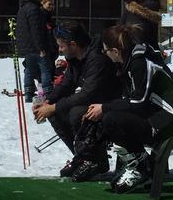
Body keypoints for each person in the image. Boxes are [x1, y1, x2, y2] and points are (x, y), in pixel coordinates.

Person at [84, 25, 173, 193]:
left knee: (111, 119)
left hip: (167, 120)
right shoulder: (131, 60)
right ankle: (140, 164)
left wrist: (104, 108)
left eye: (105, 51)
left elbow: (139, 101)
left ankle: (141, 166)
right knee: (109, 117)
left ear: (115, 51)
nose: (105, 54)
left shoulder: (139, 62)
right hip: (157, 115)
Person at [32, 21, 119, 181]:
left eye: (61, 46)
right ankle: (82, 156)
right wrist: (48, 102)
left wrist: (55, 107)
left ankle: (96, 160)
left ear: (73, 44)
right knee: (56, 114)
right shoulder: (75, 59)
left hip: (109, 105)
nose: (59, 50)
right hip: (94, 102)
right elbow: (67, 83)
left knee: (75, 113)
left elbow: (88, 94)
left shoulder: (96, 59)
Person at [16, 0, 54, 97]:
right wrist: (40, 48)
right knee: (45, 69)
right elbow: (36, 30)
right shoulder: (34, 9)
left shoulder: (23, 8)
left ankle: (28, 92)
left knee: (29, 69)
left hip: (26, 46)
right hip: (35, 46)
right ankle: (48, 93)